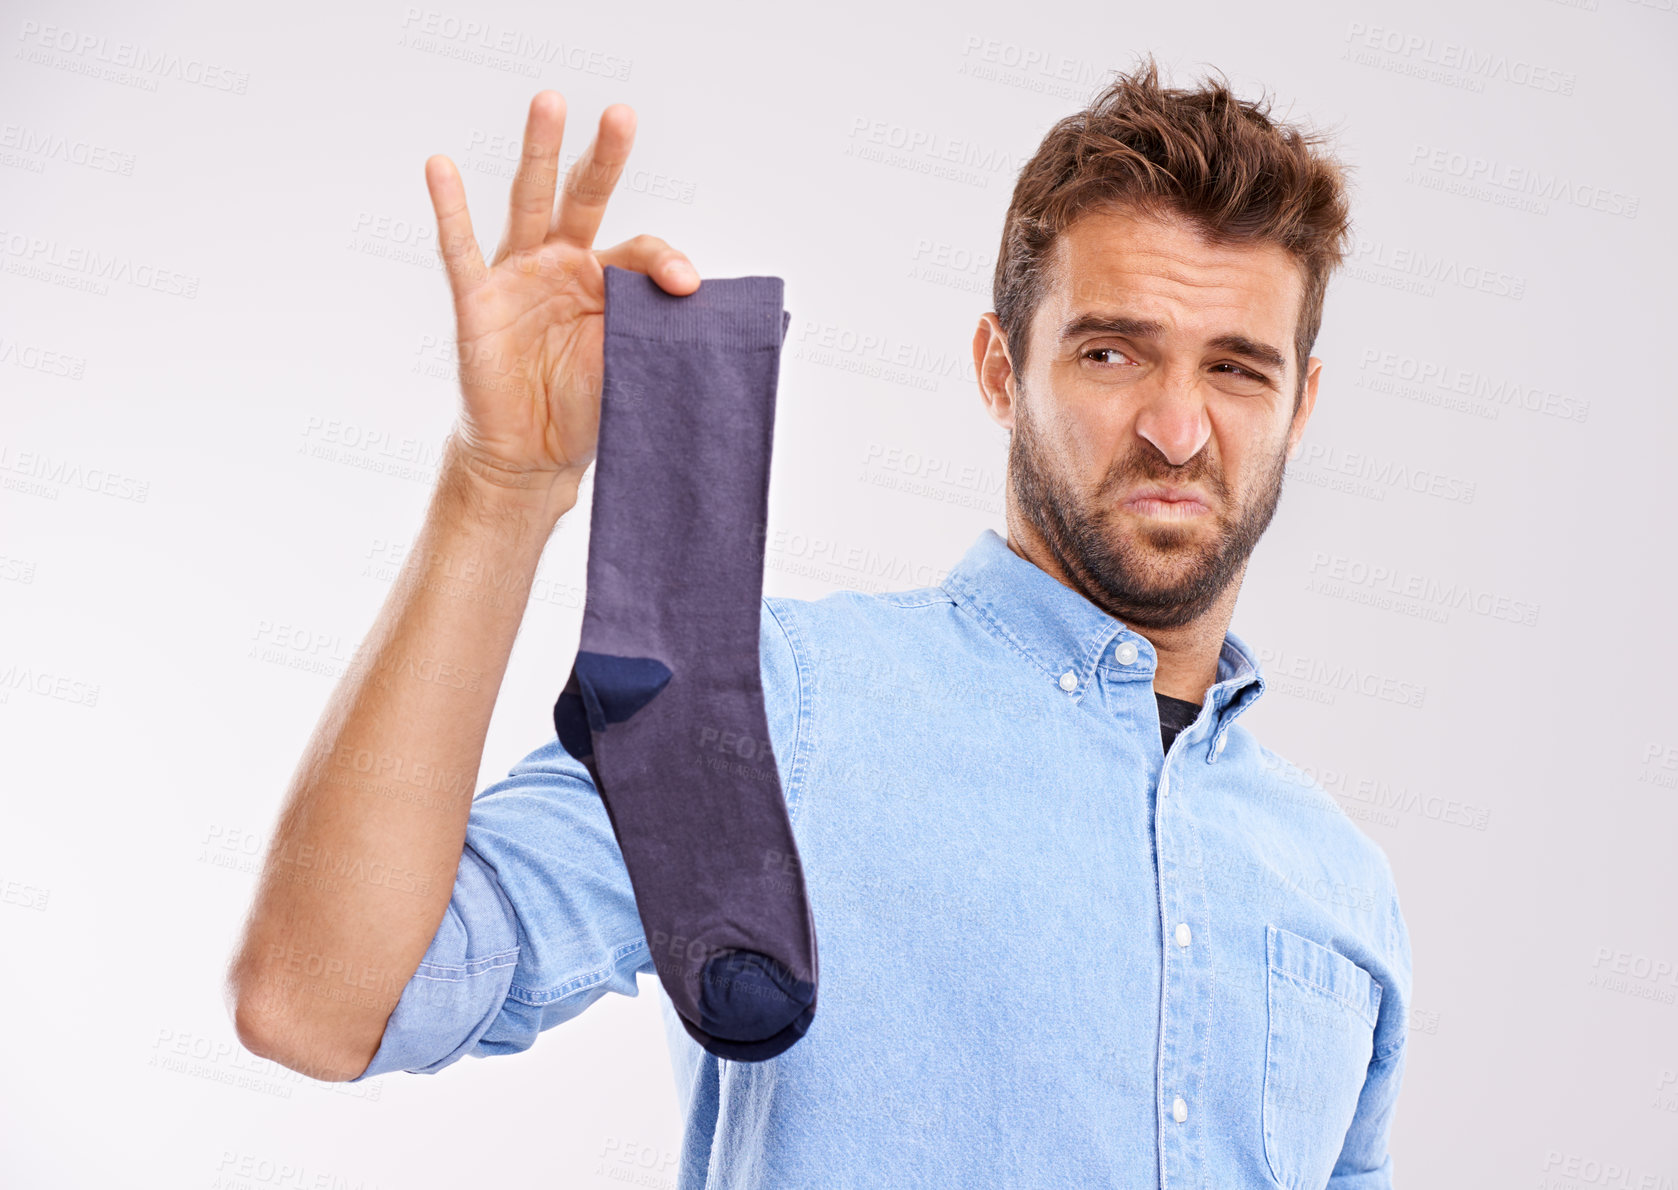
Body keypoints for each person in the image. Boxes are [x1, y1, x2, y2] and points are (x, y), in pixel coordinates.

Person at [227, 53, 1412, 1189]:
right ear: (1000, 371)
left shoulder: (1339, 884)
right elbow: (323, 1000)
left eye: (1237, 370)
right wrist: (501, 485)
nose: (1175, 427)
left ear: (1300, 404)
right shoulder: (777, 702)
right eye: (1110, 351)